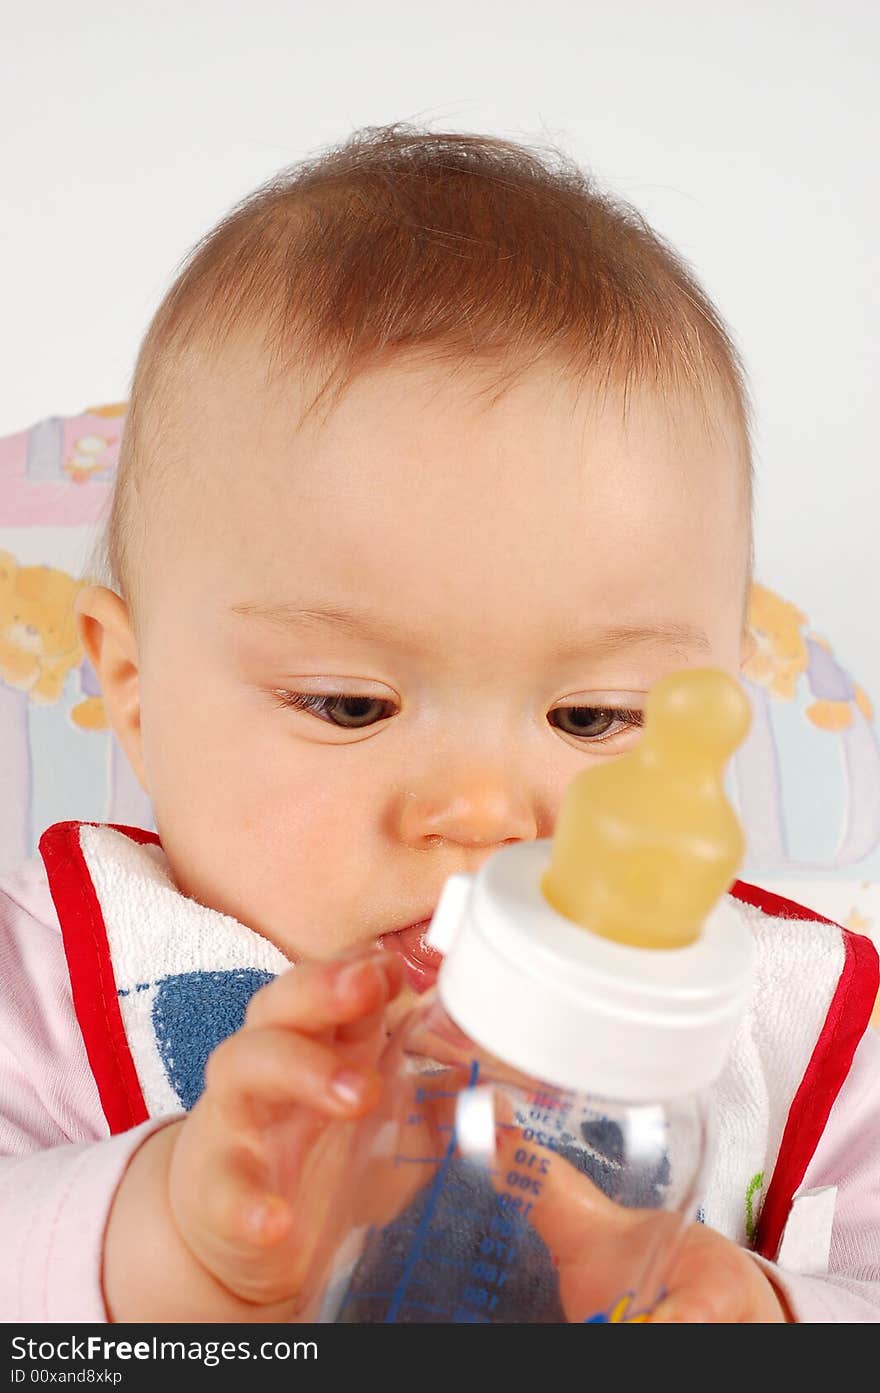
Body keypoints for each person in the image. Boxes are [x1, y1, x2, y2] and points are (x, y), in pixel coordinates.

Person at [1, 124, 878, 1324]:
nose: (480, 814)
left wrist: (773, 1319)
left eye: (592, 715)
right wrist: (163, 1239)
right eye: (350, 704)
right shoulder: (50, 992)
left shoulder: (805, 1042)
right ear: (136, 693)